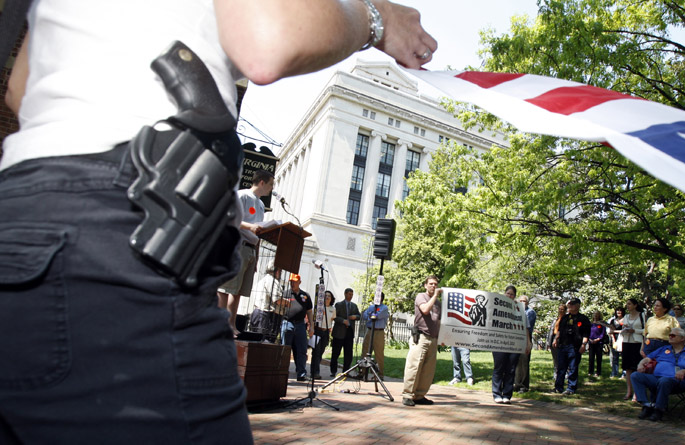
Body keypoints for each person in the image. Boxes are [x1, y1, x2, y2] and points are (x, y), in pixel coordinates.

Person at [0, 1, 436, 442]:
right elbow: (267, 42)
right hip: (129, 220)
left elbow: (20, 88)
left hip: (27, 202)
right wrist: (375, 19)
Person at [217, 169, 274, 336]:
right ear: (262, 182)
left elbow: (259, 231)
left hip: (251, 250)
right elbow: (229, 218)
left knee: (239, 291)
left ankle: (231, 324)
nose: (271, 188)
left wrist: (256, 257)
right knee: (226, 288)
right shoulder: (242, 196)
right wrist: (250, 227)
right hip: (237, 245)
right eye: (270, 184)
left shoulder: (261, 205)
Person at [631, 327, 685, 422]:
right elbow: (648, 358)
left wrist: (684, 371)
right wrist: (641, 363)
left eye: (673, 335)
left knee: (664, 381)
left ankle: (659, 410)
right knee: (635, 375)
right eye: (669, 335)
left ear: (682, 338)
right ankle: (646, 405)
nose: (670, 337)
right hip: (656, 378)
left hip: (677, 381)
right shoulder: (663, 349)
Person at [402, 275, 442, 407]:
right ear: (425, 285)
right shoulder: (421, 296)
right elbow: (425, 310)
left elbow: (440, 321)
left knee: (428, 370)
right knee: (414, 366)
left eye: (435, 284)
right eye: (431, 284)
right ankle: (408, 395)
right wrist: (435, 296)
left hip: (433, 338)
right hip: (421, 337)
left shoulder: (439, 304)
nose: (433, 286)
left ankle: (419, 395)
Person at [491, 286, 532, 403]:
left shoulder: (520, 310)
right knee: (499, 368)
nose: (509, 296)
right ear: (504, 294)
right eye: (508, 294)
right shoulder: (497, 307)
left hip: (515, 343)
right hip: (499, 343)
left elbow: (526, 328)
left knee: (511, 369)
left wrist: (528, 343)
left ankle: (507, 395)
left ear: (515, 296)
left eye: (512, 294)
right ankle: (497, 394)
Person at [553, 297, 591, 395]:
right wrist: (556, 339)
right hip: (563, 345)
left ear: (578, 306)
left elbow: (586, 334)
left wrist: (583, 345)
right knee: (561, 367)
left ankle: (571, 388)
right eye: (569, 304)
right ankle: (558, 387)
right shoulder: (565, 318)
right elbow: (560, 331)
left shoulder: (583, 319)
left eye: (572, 304)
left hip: (575, 347)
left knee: (573, 368)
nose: (570, 306)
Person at [281, 274, 314, 382]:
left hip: (300, 325)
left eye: (295, 281)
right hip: (287, 323)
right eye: (291, 281)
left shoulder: (305, 296)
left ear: (299, 282)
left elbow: (309, 312)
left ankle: (301, 373)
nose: (292, 283)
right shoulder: (285, 293)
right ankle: (282, 371)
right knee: (285, 348)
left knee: (301, 350)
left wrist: (311, 326)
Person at [330, 287, 361, 376]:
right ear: (345, 294)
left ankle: (346, 371)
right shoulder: (339, 305)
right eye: (349, 294)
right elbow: (335, 317)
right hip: (339, 332)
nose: (350, 296)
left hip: (349, 333)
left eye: (352, 294)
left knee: (348, 353)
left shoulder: (354, 306)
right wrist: (343, 321)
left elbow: (359, 316)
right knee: (336, 353)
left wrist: (355, 317)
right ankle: (333, 371)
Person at [621, 298, 646, 400]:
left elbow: (646, 330)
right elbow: (623, 328)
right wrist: (625, 329)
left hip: (637, 343)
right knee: (628, 368)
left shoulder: (642, 315)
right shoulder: (626, 316)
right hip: (626, 342)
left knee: (637, 367)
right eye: (626, 304)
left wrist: (634, 330)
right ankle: (629, 391)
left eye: (629, 304)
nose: (627, 306)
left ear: (635, 305)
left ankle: (637, 393)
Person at [361, 292, 390, 379]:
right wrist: (371, 315)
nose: (377, 298)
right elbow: (365, 315)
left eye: (379, 296)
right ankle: (362, 372)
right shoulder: (371, 307)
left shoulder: (384, 308)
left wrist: (371, 315)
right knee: (365, 351)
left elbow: (377, 316)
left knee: (378, 353)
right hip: (369, 330)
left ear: (382, 298)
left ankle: (379, 374)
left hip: (378, 332)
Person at [310, 290, 336, 380]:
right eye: (325, 296)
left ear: (331, 298)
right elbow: (312, 319)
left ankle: (314, 370)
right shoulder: (318, 308)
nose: (327, 297)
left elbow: (332, 320)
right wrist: (312, 329)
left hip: (326, 332)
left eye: (329, 296)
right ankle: (315, 372)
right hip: (317, 331)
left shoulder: (333, 309)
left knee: (321, 352)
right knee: (316, 353)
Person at [513, 294, 537, 392]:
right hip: (515, 338)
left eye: (524, 301)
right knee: (516, 362)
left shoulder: (530, 312)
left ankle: (524, 386)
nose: (522, 302)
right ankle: (517, 384)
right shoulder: (516, 310)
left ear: (527, 302)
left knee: (524, 362)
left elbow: (526, 326)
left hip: (525, 338)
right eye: (521, 301)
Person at [548, 303, 567, 381]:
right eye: (559, 309)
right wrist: (549, 342)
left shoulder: (566, 319)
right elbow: (551, 331)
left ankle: (565, 375)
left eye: (562, 309)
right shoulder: (556, 319)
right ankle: (556, 374)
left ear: (565, 310)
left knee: (563, 359)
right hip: (554, 339)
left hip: (562, 340)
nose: (560, 310)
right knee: (555, 359)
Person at [588, 311, 607, 377]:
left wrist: (598, 339)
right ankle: (590, 371)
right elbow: (588, 332)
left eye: (597, 315)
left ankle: (598, 372)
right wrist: (590, 339)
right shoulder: (591, 323)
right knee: (591, 358)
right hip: (591, 342)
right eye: (594, 314)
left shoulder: (602, 323)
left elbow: (603, 333)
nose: (595, 316)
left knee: (599, 358)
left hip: (599, 343)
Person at [608, 307, 625, 378]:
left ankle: (624, 373)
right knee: (615, 357)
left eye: (620, 311)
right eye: (617, 311)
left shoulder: (626, 320)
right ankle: (614, 372)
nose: (619, 312)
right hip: (615, 340)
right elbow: (610, 331)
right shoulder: (613, 321)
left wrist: (615, 331)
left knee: (624, 357)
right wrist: (613, 339)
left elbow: (625, 330)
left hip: (623, 339)